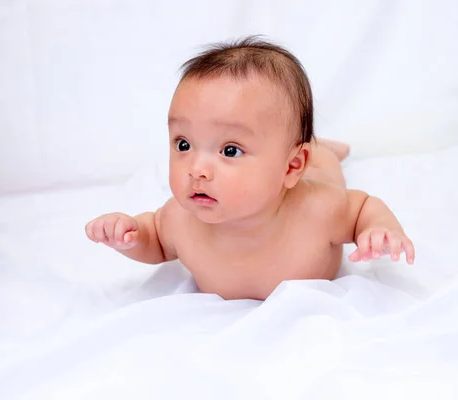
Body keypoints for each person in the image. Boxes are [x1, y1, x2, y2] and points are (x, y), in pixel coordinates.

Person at [85, 36, 415, 301]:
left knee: (324, 160)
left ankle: (321, 147)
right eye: (183, 144)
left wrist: (376, 230)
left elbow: (363, 209)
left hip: (315, 170)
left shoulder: (318, 209)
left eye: (229, 150)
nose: (197, 169)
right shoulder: (179, 220)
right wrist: (129, 236)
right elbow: (155, 242)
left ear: (291, 167)